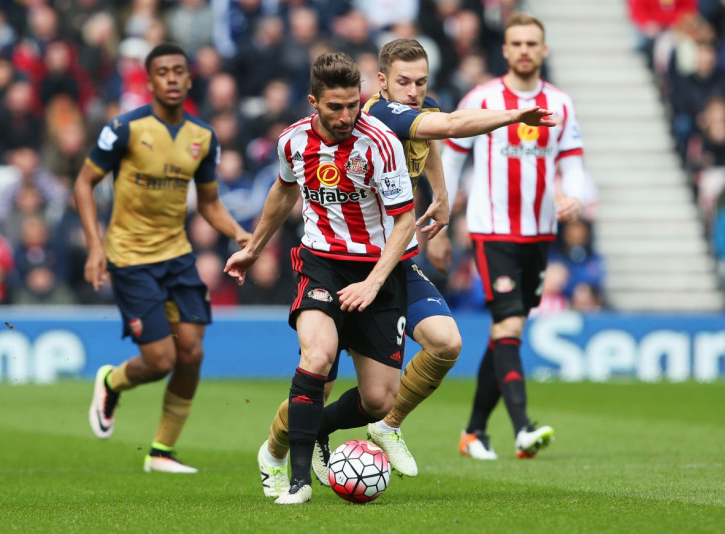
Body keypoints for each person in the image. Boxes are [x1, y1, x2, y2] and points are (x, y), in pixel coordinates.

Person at [257, 37, 557, 493]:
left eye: (421, 82)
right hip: (338, 263)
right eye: (404, 82)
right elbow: (451, 126)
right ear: (381, 82)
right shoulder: (377, 114)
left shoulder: (414, 111)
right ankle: (278, 449)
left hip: (391, 260)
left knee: (445, 343)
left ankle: (387, 424)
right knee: (317, 374)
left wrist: (439, 195)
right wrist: (515, 116)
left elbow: (429, 139)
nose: (414, 91)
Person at [225, 51, 417, 504]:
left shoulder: (381, 143)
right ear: (314, 102)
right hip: (322, 264)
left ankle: (319, 430)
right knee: (318, 356)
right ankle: (297, 480)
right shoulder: (292, 141)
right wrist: (253, 247)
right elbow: (284, 189)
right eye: (335, 107)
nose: (347, 115)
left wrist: (373, 283)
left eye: (354, 104)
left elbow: (405, 222)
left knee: (379, 401)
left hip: (378, 271)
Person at [76, 42, 250, 473]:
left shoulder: (203, 138)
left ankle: (161, 452)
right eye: (163, 72)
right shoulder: (124, 128)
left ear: (190, 79)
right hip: (130, 257)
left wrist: (239, 232)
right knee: (161, 361)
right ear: (150, 80)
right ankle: (111, 381)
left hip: (177, 256)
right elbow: (83, 183)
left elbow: (209, 204)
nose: (172, 78)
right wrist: (95, 246)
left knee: (191, 354)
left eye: (179, 71)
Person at [440, 12, 586, 460]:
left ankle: (473, 432)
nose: (524, 50)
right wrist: (442, 219)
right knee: (509, 325)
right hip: (492, 230)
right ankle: (523, 428)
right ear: (504, 50)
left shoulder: (560, 104)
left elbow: (573, 164)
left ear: (543, 51)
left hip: (540, 233)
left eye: (531, 43)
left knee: (506, 332)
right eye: (516, 43)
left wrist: (572, 196)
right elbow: (451, 159)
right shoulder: (482, 99)